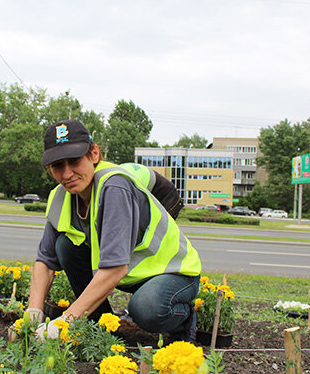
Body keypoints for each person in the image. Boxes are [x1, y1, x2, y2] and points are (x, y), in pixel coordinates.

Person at [26, 119, 202, 341]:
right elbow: (45, 261)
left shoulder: (113, 187)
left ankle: (183, 321)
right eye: (57, 166)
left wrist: (65, 321)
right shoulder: (60, 197)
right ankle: (99, 325)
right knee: (65, 245)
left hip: (172, 273)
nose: (67, 173)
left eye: (74, 161)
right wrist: (32, 315)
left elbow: (115, 268)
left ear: (94, 154)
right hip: (131, 273)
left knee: (146, 310)